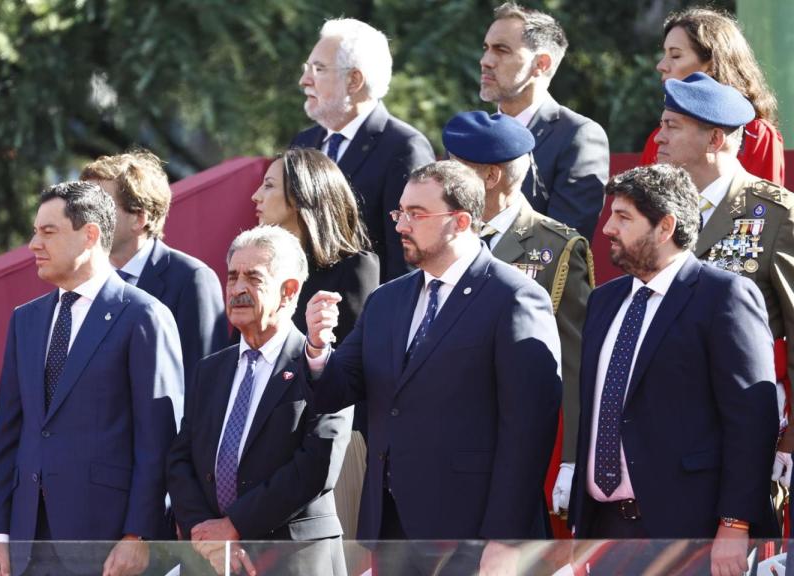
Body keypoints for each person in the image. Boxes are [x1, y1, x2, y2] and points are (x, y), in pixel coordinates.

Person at [306, 160, 562, 574]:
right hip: (391, 527)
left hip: (473, 534)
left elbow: (529, 430)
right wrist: (318, 347)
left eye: (416, 214)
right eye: (399, 212)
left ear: (460, 221)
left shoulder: (514, 297)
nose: (401, 225)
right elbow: (337, 389)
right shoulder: (387, 300)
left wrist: (506, 540)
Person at [568, 164, 778, 574]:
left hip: (692, 534)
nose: (608, 228)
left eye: (624, 217)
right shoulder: (604, 301)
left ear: (665, 227)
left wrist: (734, 524)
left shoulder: (723, 296)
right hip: (606, 531)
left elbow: (752, 421)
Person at [0, 181, 184, 576]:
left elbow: (158, 439)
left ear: (90, 235)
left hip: (106, 544)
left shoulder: (143, 315)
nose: (33, 245)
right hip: (27, 543)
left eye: (48, 232)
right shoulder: (26, 319)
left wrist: (138, 535)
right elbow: (9, 433)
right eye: (35, 231)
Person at [167, 226, 352, 576]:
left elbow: (317, 465)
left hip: (291, 559)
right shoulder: (210, 369)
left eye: (253, 278)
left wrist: (234, 525)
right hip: (211, 560)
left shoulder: (324, 367)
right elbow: (180, 459)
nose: (237, 289)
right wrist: (205, 531)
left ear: (289, 291)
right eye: (232, 276)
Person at [443, 111, 594, 517]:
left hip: (522, 439)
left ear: (490, 177)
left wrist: (572, 458)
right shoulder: (446, 235)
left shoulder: (557, 248)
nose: (444, 178)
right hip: (450, 438)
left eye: (454, 167)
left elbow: (576, 361)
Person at [653, 72, 794, 488]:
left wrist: (790, 441)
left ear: (715, 140)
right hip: (664, 432)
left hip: (743, 434)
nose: (658, 138)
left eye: (671, 127)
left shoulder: (777, 215)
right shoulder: (658, 211)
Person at [250, 147, 378, 544]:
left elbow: (351, 372)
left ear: (303, 195)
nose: (255, 196)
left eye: (268, 185)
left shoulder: (356, 267)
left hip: (327, 445)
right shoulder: (254, 272)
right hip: (260, 447)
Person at [292, 18, 434, 282]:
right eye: (307, 68)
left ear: (354, 79)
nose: (304, 80)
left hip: (363, 316)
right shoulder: (303, 143)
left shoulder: (403, 148)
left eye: (318, 69)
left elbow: (407, 259)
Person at [80, 150, 228, 385]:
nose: (85, 218)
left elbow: (205, 383)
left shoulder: (192, 280)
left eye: (99, 206)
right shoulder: (85, 282)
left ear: (139, 219)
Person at [479, 2, 609, 241]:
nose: (485, 60)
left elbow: (561, 247)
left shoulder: (578, 136)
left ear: (541, 64)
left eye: (501, 50)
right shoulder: (471, 134)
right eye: (486, 48)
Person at [640, 7, 784, 185]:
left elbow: (763, 209)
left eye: (675, 55)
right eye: (665, 53)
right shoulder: (659, 139)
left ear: (711, 64)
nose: (661, 65)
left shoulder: (757, 135)